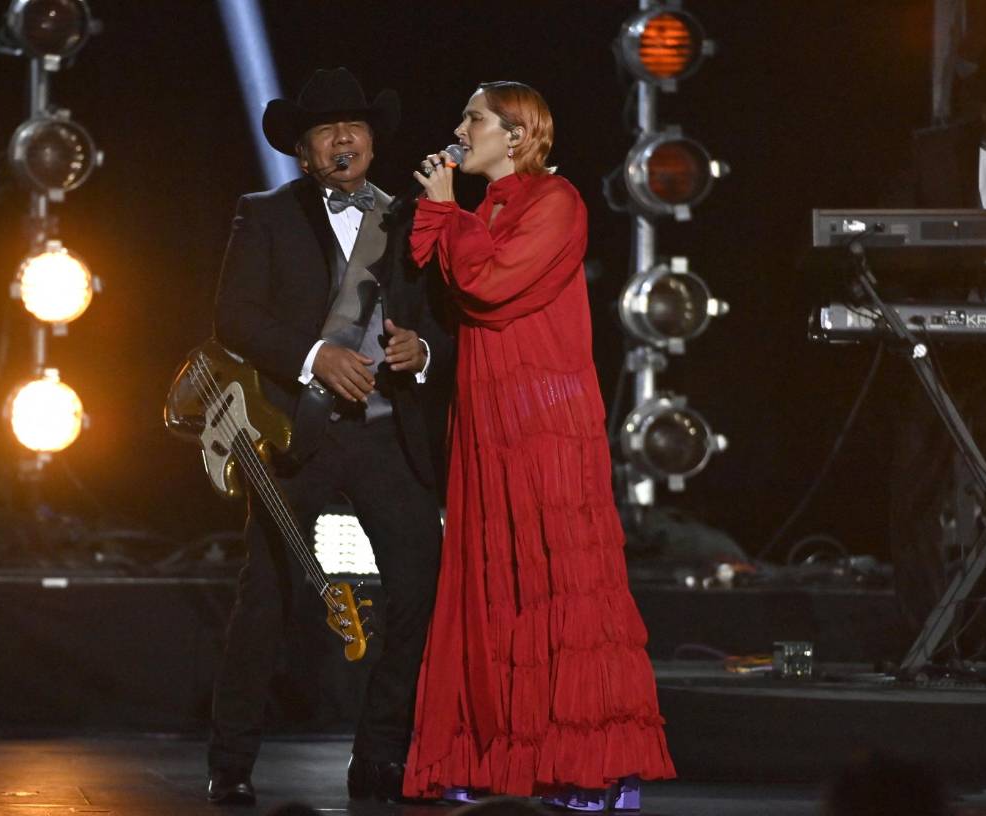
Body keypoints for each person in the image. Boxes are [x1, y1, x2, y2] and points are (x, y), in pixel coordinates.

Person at [401, 81, 675, 809]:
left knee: (560, 580)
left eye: (474, 118)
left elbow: (492, 283)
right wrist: (446, 205)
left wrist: (448, 210)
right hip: (488, 417)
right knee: (492, 582)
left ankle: (592, 765)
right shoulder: (486, 205)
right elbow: (443, 276)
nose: (460, 127)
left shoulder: (558, 202)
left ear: (516, 135)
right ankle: (493, 756)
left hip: (545, 421)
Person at [206, 67, 449, 805]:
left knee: (418, 586)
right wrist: (318, 356)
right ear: (305, 153)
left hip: (384, 435)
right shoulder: (265, 212)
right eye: (325, 130)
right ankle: (232, 761)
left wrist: (422, 351)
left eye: (355, 126)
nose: (343, 139)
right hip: (298, 435)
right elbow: (236, 318)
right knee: (269, 599)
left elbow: (443, 317)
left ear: (372, 142)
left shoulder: (409, 218)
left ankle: (379, 755)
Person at [882, 23, 986, 647]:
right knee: (912, 488)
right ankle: (928, 637)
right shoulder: (934, 151)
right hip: (940, 351)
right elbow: (888, 239)